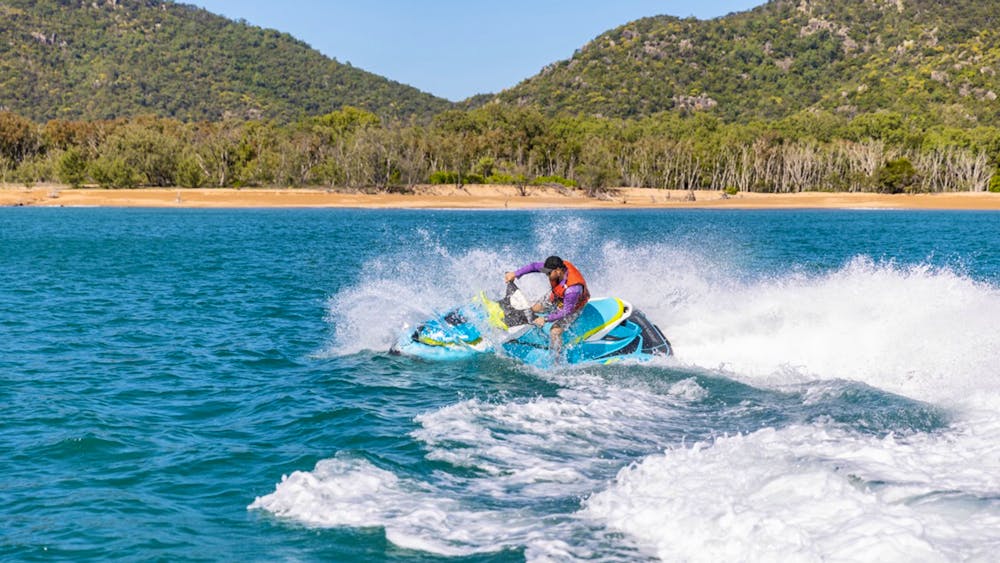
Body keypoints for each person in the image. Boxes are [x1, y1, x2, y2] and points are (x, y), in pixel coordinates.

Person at [504, 255, 590, 358]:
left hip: (574, 306)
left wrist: (545, 319)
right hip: (558, 295)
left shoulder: (573, 289)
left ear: (558, 271)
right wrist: (515, 274)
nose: (547, 275)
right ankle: (511, 325)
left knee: (555, 332)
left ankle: (556, 361)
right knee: (533, 309)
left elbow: (566, 311)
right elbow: (534, 266)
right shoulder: (555, 267)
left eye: (549, 273)